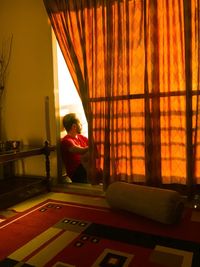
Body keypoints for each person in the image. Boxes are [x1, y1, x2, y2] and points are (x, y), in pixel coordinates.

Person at [61, 113, 89, 183]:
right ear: (74, 126)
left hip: (85, 168)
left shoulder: (82, 137)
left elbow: (94, 146)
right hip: (77, 172)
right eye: (80, 123)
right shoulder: (66, 141)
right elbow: (81, 151)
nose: (81, 125)